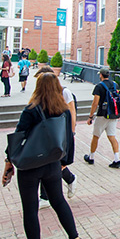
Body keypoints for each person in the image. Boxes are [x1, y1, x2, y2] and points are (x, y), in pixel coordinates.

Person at [1, 73, 86, 239]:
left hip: (30, 165)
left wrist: (9, 161)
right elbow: (66, 138)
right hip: (52, 164)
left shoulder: (31, 110)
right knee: (59, 201)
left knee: (30, 209)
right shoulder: (63, 111)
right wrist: (64, 161)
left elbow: (18, 136)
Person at [35, 67, 78, 202]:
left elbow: (71, 112)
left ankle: (45, 197)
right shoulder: (43, 94)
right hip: (48, 136)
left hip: (60, 135)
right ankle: (68, 180)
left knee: (52, 164)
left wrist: (71, 133)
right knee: (49, 164)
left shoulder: (64, 92)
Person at [84, 67, 120, 169]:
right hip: (113, 115)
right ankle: (117, 159)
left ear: (101, 75)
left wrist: (90, 117)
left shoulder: (99, 86)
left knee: (96, 136)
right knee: (112, 136)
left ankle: (91, 157)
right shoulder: (115, 84)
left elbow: (95, 103)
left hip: (102, 115)